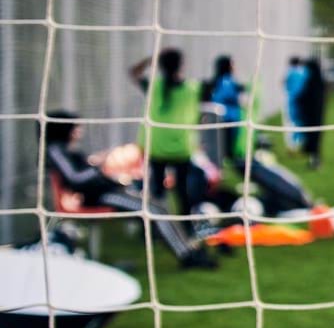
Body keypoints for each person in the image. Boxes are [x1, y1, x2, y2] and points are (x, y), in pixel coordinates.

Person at [43, 111, 213, 267]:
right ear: (64, 128)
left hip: (105, 190)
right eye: (75, 127)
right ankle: (187, 256)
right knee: (153, 210)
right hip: (99, 195)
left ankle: (187, 250)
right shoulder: (56, 150)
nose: (78, 131)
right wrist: (99, 168)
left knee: (156, 206)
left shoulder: (63, 149)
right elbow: (75, 178)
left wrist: (106, 174)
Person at [130, 48, 209, 237]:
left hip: (155, 145)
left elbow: (133, 72)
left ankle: (154, 230)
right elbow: (204, 107)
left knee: (157, 190)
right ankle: (186, 228)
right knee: (182, 189)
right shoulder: (193, 88)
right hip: (181, 146)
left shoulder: (153, 86)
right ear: (182, 65)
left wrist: (151, 59)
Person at [204, 55, 247, 166]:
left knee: (222, 146)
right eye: (233, 64)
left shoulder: (219, 80)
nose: (235, 67)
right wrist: (239, 95)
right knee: (225, 147)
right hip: (228, 118)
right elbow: (223, 96)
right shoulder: (226, 81)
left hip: (225, 117)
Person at [298, 55, 329, 168]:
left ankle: (315, 160)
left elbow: (306, 98)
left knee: (313, 139)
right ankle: (314, 159)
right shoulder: (318, 81)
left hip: (313, 116)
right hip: (315, 116)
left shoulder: (313, 82)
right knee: (314, 139)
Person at [283, 56, 312, 161]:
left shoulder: (290, 73)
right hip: (303, 103)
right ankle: (300, 144)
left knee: (290, 123)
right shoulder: (304, 73)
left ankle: (292, 146)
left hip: (292, 102)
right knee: (301, 123)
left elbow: (284, 84)